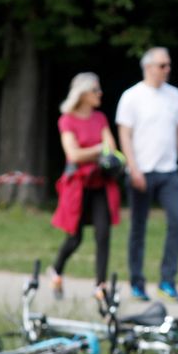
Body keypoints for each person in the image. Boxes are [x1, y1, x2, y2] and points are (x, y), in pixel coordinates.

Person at [116, 47, 178, 303]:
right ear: (148, 67)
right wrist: (133, 167)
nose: (167, 69)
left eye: (168, 65)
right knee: (138, 227)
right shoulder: (132, 96)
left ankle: (167, 281)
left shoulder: (175, 96)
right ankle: (137, 282)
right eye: (162, 65)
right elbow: (125, 134)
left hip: (168, 171)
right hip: (142, 171)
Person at [50, 72, 121, 299]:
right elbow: (73, 154)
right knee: (75, 237)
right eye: (95, 90)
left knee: (103, 233)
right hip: (78, 187)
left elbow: (111, 148)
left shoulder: (100, 118)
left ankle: (100, 286)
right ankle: (56, 270)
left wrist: (94, 152)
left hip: (100, 183)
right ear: (82, 94)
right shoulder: (67, 120)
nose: (100, 94)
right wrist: (99, 149)